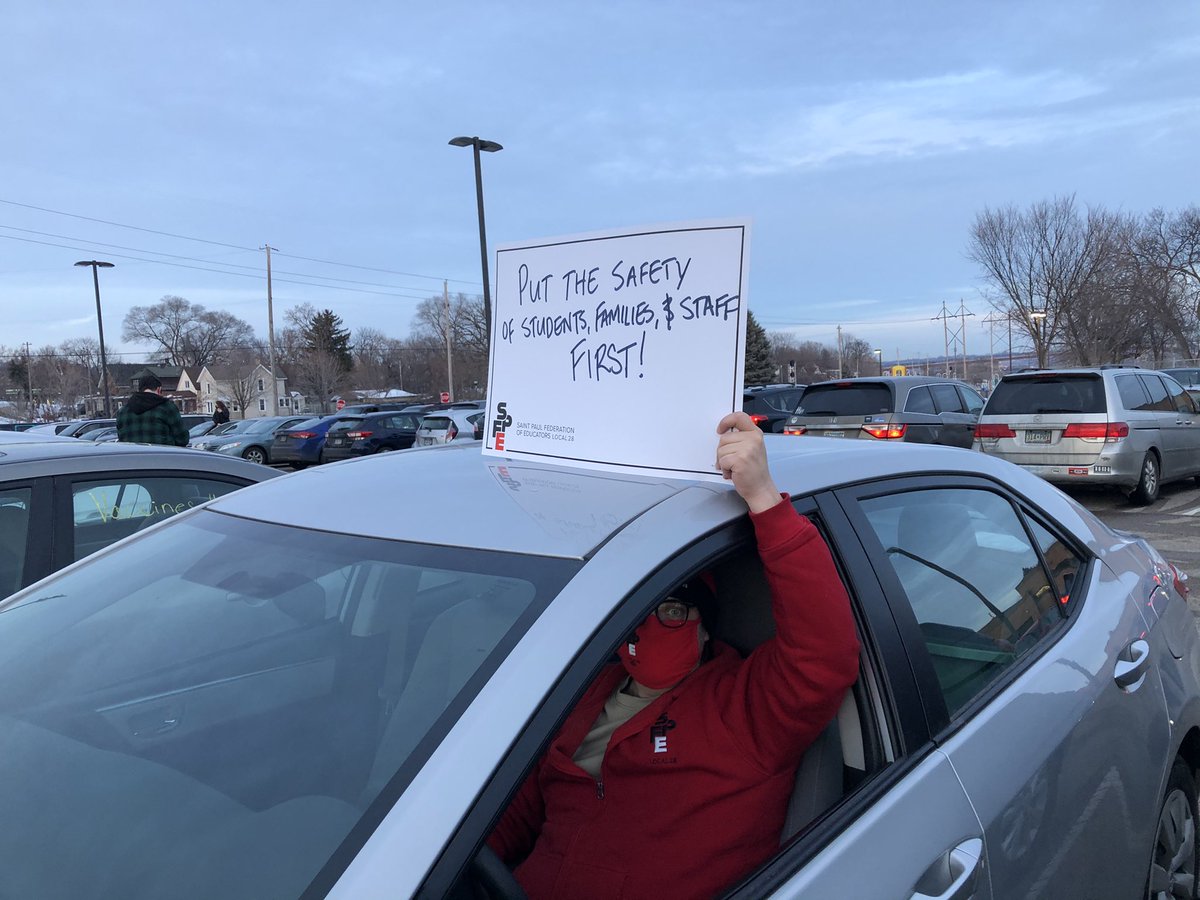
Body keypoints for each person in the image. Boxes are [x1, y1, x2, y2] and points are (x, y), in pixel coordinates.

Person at [487, 412, 861, 899]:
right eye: (637, 615)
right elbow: (510, 818)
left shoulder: (745, 708)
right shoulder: (577, 691)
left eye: (671, 610)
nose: (647, 630)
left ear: (705, 626)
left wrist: (765, 500)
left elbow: (824, 656)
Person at [115, 373, 189, 447]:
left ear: (140, 390)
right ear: (158, 389)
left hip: (132, 457)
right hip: (162, 456)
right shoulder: (167, 408)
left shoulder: (122, 412)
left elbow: (121, 440)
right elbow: (182, 439)